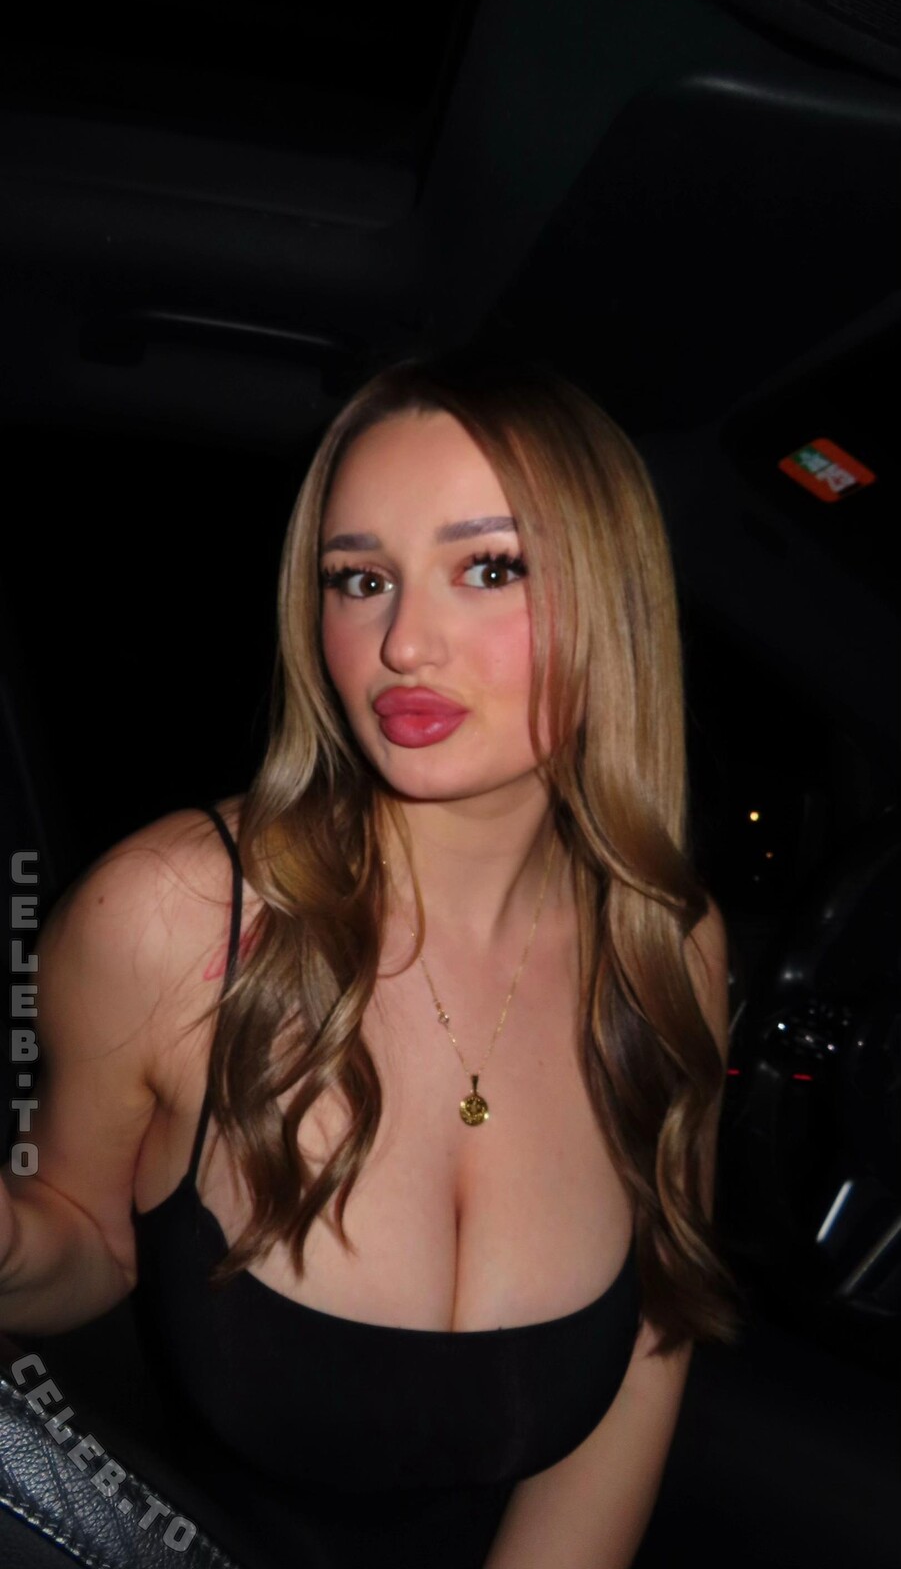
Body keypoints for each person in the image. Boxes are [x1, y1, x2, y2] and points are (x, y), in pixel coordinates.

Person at [1, 351, 742, 1569]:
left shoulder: (667, 947)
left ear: (613, 601)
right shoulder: (176, 915)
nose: (402, 643)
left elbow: (654, 1338)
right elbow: (83, 1233)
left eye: (489, 568)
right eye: (360, 579)